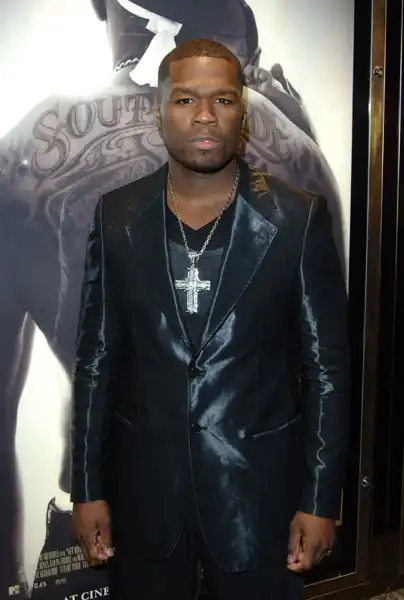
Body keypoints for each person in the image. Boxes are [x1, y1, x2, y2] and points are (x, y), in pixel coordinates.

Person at [0, 0, 345, 597]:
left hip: (260, 503)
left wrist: (321, 500)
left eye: (223, 100)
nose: (204, 116)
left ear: (242, 110)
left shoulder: (298, 208)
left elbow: (326, 370)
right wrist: (88, 489)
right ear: (158, 113)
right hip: (139, 504)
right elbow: (97, 361)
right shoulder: (113, 213)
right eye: (185, 100)